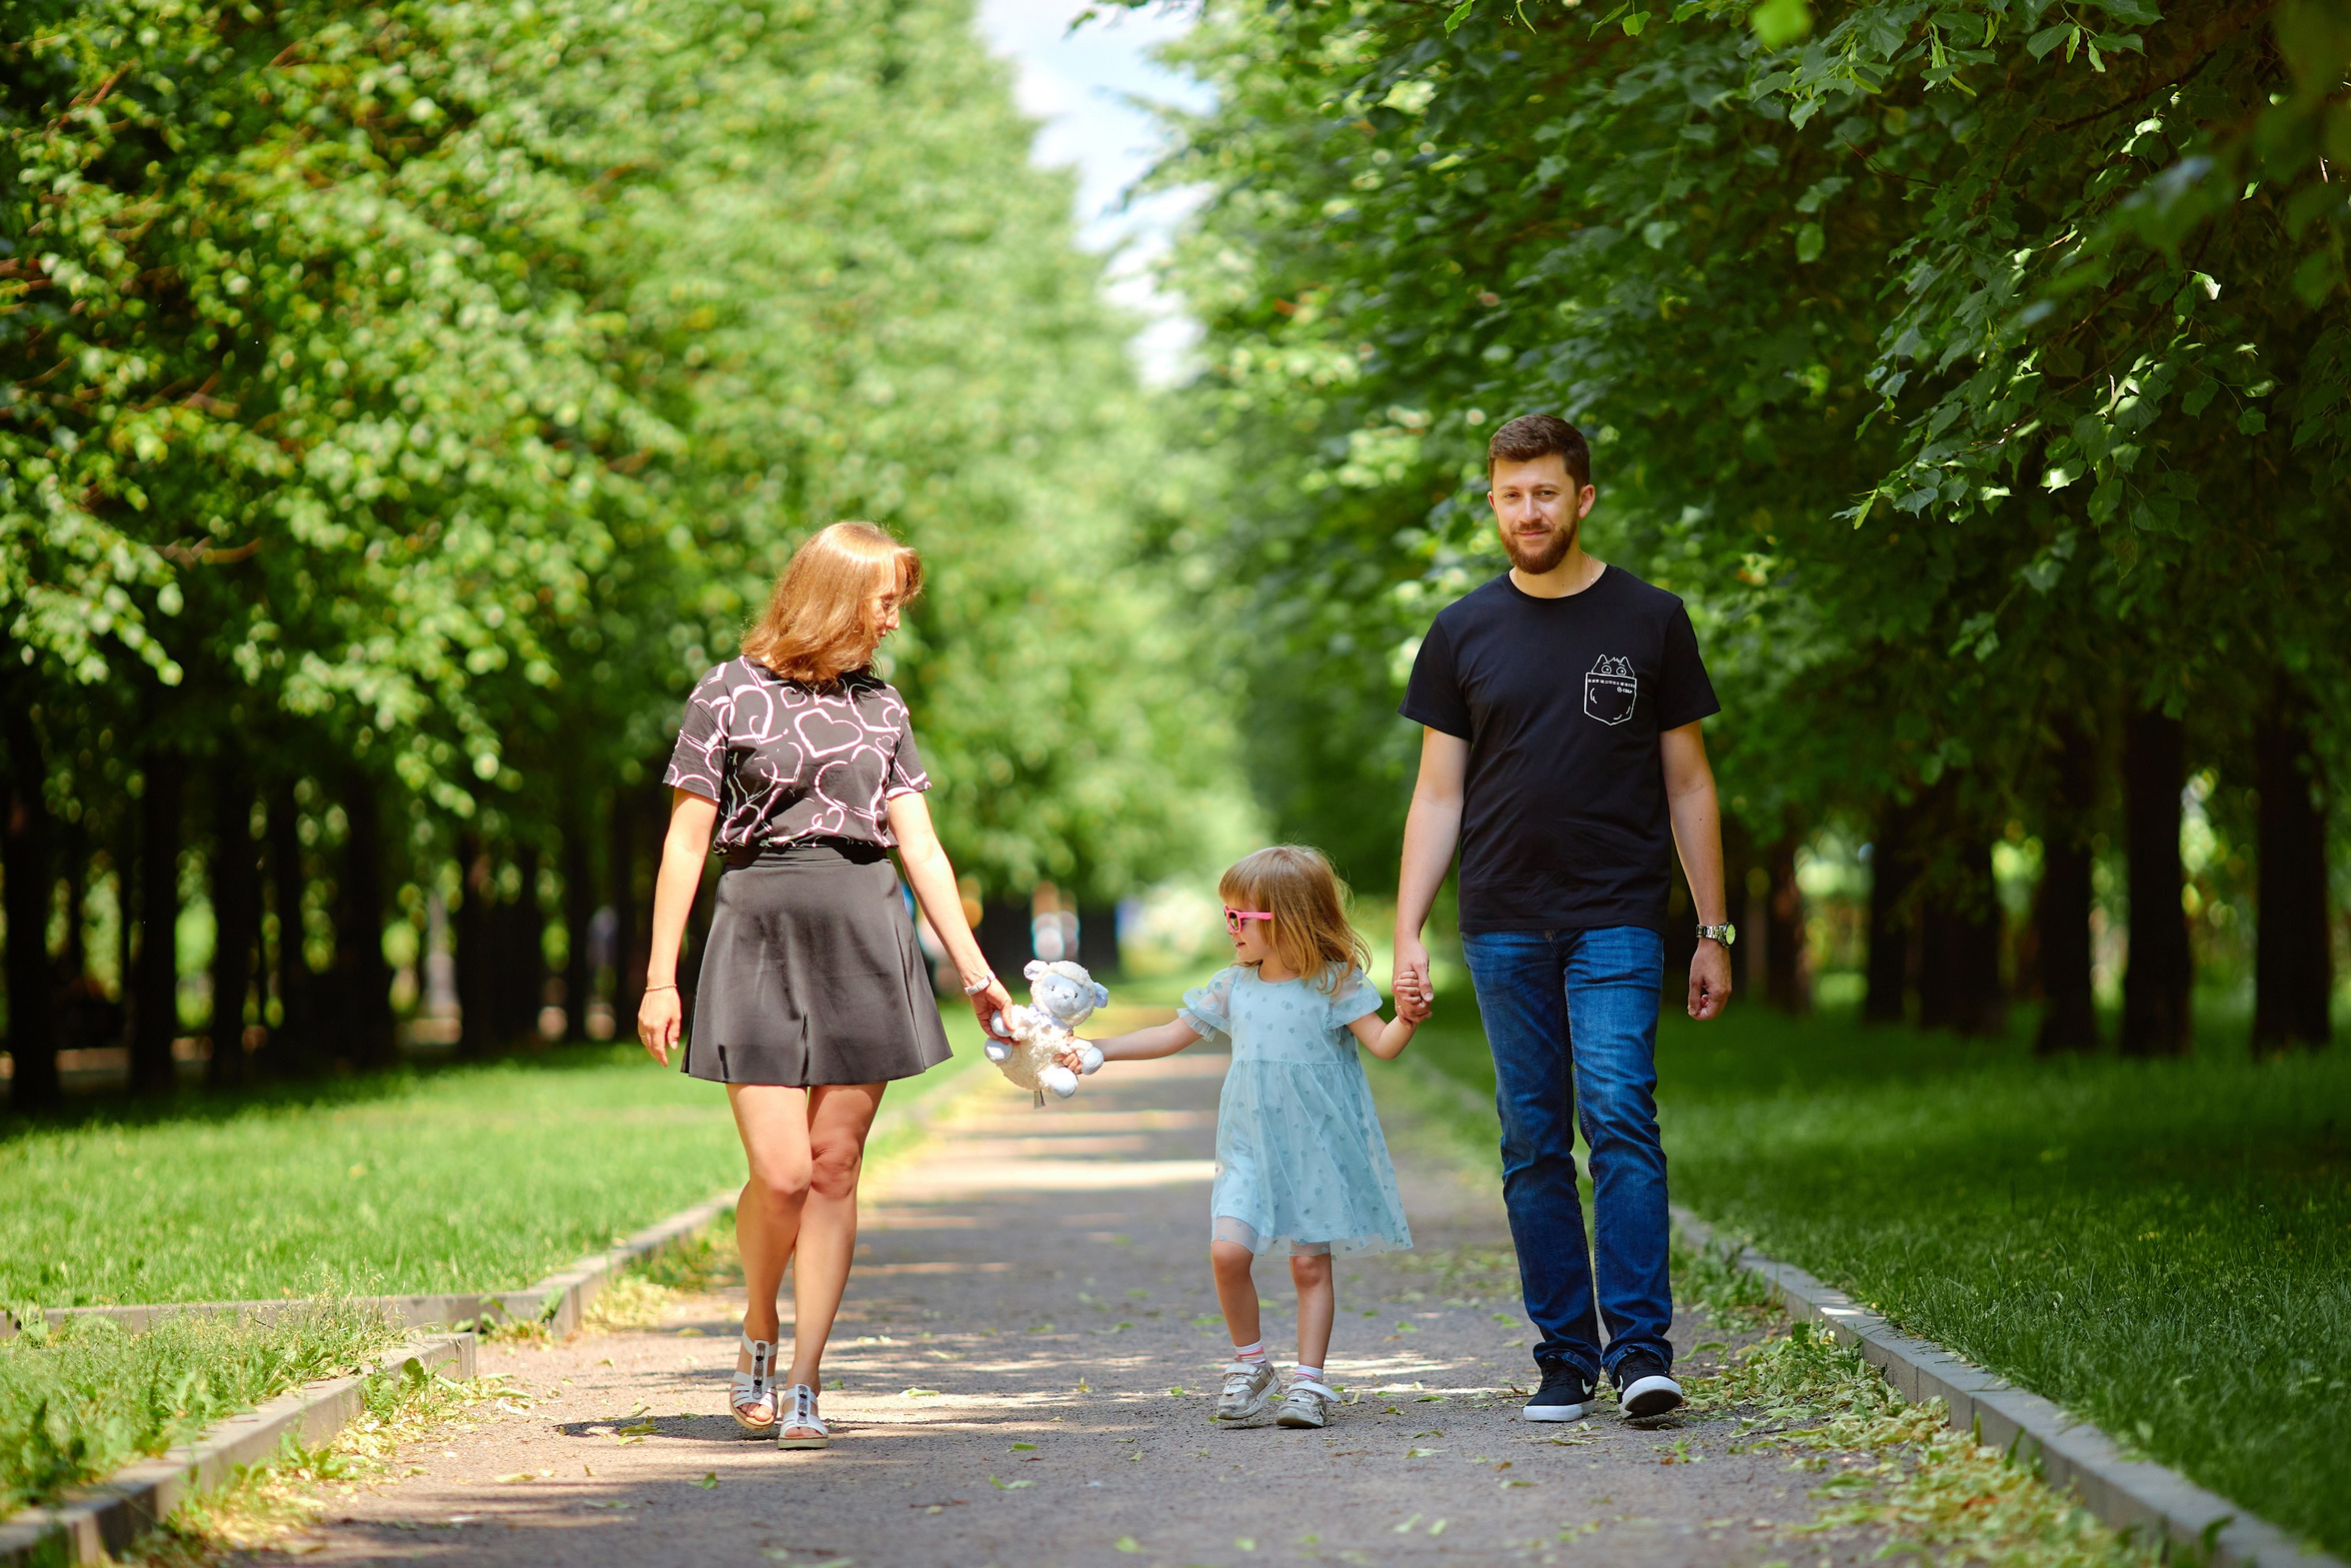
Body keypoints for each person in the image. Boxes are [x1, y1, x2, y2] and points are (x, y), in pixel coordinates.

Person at [1392, 413, 1732, 1427]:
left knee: (1620, 1115)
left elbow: (1688, 785)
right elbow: (1437, 796)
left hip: (1619, 914)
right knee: (1531, 1138)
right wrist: (1408, 929)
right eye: (1510, 494)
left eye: (1545, 492)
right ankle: (1561, 1357)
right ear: (1490, 501)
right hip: (1500, 920)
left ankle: (1639, 1356)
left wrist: (1712, 930)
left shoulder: (1650, 618)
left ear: (1582, 498)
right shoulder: (1460, 630)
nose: (1527, 511)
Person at [640, 521, 1009, 1450]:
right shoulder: (727, 691)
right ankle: (757, 1325)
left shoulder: (882, 707)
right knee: (782, 1172)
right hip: (756, 921)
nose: (892, 620)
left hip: (863, 926)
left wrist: (975, 973)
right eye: (885, 600)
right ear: (839, 593)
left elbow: (919, 843)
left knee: (836, 1167)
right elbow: (687, 840)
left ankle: (806, 1377)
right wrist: (657, 977)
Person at [1077, 845, 1420, 1429]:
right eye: (1227, 915)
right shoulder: (1232, 986)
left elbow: (1383, 1044)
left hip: (1314, 1147)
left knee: (1310, 1266)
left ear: (1286, 919)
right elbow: (1170, 1033)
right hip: (1248, 1147)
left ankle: (1309, 1384)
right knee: (1227, 1252)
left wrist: (1408, 1016)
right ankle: (1251, 1364)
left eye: (1240, 918)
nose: (1229, 927)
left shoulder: (1333, 982)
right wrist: (1100, 1050)